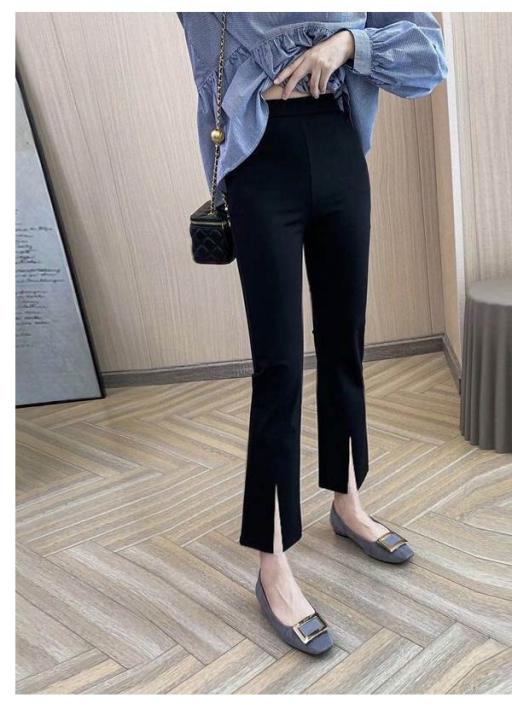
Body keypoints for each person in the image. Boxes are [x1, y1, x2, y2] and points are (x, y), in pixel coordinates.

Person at [177, 11, 448, 655]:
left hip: (337, 144)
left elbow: (427, 51)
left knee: (344, 342)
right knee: (277, 368)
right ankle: (272, 564)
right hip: (260, 159)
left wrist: (350, 42)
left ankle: (347, 502)